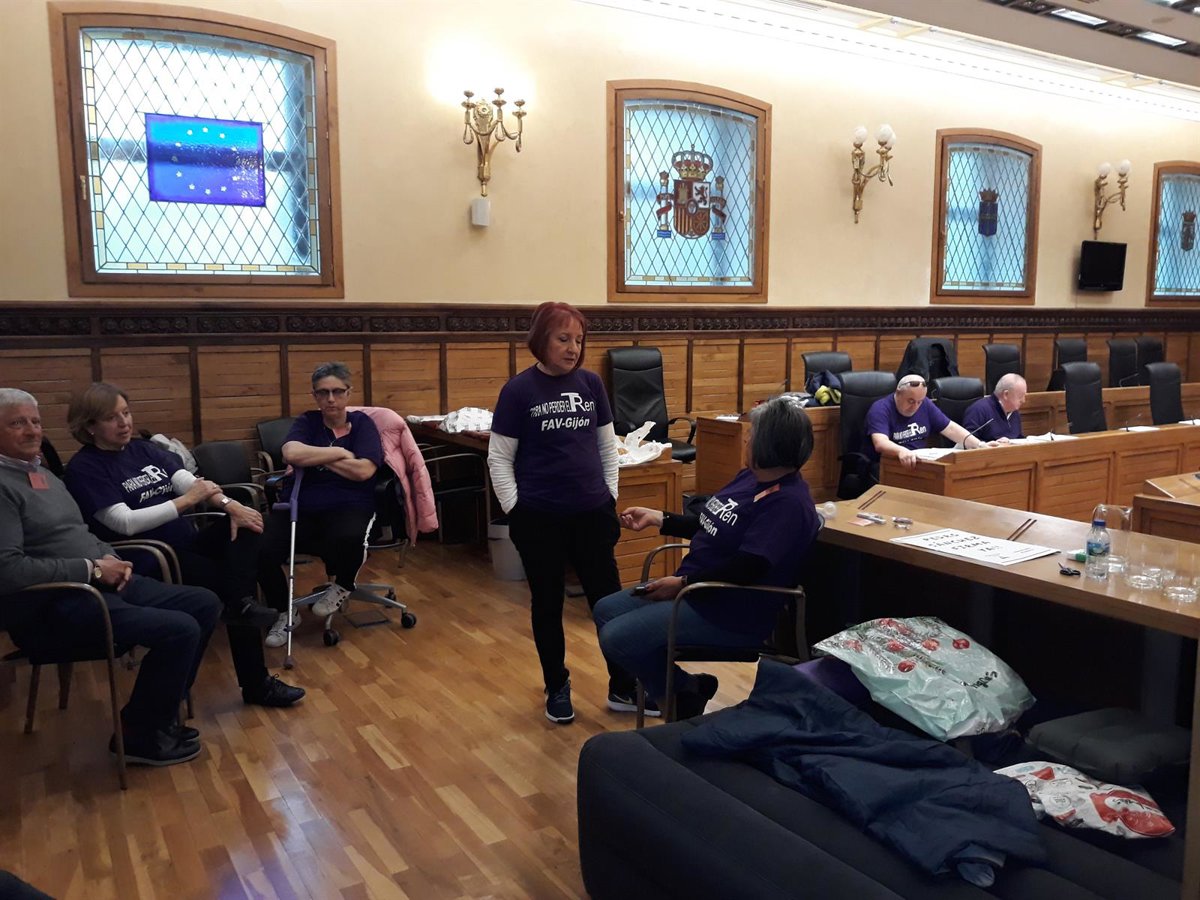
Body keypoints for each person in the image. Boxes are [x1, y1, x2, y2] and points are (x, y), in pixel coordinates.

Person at [0, 388, 220, 766]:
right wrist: (94, 568)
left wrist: (110, 557)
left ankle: (158, 714)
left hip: (98, 583)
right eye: (17, 423)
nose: (32, 431)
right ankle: (139, 736)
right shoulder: (4, 486)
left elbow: (80, 533)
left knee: (203, 602)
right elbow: (8, 570)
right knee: (180, 628)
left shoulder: (43, 475)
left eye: (35, 421)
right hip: (55, 603)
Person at [62, 383, 304, 708]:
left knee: (248, 526)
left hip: (187, 543)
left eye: (126, 413)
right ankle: (255, 679)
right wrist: (187, 501)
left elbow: (190, 482)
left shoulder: (143, 449)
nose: (124, 423)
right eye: (111, 418)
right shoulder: (85, 468)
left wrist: (230, 505)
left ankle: (241, 607)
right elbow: (124, 522)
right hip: (151, 558)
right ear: (89, 426)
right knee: (234, 586)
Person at [593, 396, 821, 719]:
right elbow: (711, 522)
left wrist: (683, 583)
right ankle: (684, 692)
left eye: (752, 435)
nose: (747, 440)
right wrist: (660, 518)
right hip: (697, 591)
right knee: (605, 611)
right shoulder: (750, 478)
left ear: (769, 444)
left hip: (729, 611)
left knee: (617, 638)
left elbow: (748, 566)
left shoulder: (789, 504)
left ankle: (678, 699)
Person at [487, 301, 640, 725]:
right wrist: (516, 510)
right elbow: (499, 458)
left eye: (578, 339)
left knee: (608, 604)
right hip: (539, 518)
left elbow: (607, 448)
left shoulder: (591, 384)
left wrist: (608, 498)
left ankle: (623, 685)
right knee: (547, 604)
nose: (573, 348)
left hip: (592, 514)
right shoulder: (518, 391)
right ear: (541, 340)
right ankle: (556, 685)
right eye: (563, 339)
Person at [258, 362, 383, 647]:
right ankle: (284, 610)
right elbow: (291, 453)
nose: (330, 399)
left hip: (351, 504)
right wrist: (340, 453)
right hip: (301, 506)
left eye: (337, 391)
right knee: (260, 546)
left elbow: (364, 471)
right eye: (323, 393)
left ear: (348, 393)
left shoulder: (363, 424)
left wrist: (315, 457)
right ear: (314, 395)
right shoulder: (308, 421)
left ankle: (344, 585)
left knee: (349, 536)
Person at [865, 373, 993, 473]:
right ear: (898, 393)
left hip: (919, 463)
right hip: (887, 464)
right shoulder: (880, 409)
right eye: (910, 401)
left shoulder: (925, 404)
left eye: (919, 401)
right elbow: (880, 443)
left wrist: (980, 445)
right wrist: (901, 451)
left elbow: (950, 428)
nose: (915, 406)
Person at [963, 374, 1027, 443]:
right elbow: (967, 441)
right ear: (1006, 394)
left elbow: (1018, 438)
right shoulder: (978, 410)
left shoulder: (1014, 411)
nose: (1023, 400)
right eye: (1020, 396)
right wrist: (992, 445)